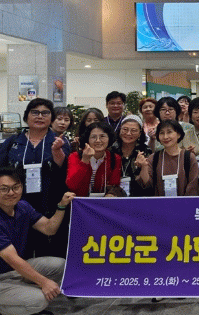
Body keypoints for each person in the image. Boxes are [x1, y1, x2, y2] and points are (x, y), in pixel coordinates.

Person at [0, 98, 71, 258]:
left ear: (51, 118)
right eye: (35, 112)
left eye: (45, 113)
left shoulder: (59, 141)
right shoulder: (13, 142)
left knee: (51, 256)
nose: (40, 116)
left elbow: (64, 169)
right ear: (26, 117)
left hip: (50, 206)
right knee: (18, 253)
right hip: (16, 207)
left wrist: (57, 153)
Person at [0, 167, 75, 315]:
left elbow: (49, 228)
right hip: (5, 272)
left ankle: (17, 292)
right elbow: (12, 259)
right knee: (39, 300)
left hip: (12, 273)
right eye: (4, 189)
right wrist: (44, 282)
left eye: (16, 187)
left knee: (59, 265)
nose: (11, 193)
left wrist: (61, 205)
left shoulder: (23, 207)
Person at [137, 120, 199, 196]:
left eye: (169, 132)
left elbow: (193, 187)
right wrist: (144, 166)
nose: (165, 137)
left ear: (179, 134)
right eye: (162, 133)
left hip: (185, 202)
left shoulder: (188, 157)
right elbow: (147, 184)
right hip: (159, 203)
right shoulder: (154, 158)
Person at [66, 122, 122, 197]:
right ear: (87, 139)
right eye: (93, 137)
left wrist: (110, 195)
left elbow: (114, 184)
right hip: (79, 201)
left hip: (104, 201)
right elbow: (72, 185)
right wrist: (84, 161)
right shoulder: (75, 156)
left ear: (109, 138)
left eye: (102, 136)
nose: (98, 140)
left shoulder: (115, 158)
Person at [111, 115, 153, 197]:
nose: (128, 133)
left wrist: (143, 167)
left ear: (140, 133)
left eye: (133, 130)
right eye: (125, 129)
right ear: (120, 130)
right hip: (114, 196)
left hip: (139, 197)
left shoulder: (145, 151)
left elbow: (147, 184)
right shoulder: (111, 150)